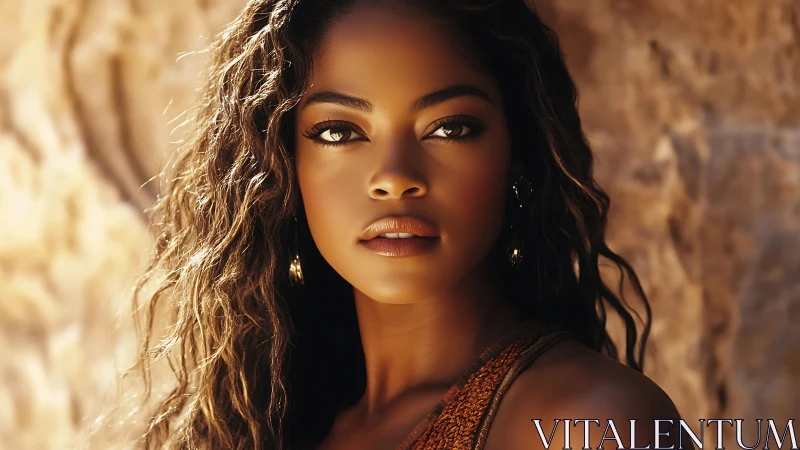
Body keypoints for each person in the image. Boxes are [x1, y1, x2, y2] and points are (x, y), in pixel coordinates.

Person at [120, 0, 689, 449]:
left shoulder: (592, 424)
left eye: (449, 127)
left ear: (519, 156)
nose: (394, 178)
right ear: (281, 169)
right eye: (340, 132)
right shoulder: (274, 423)